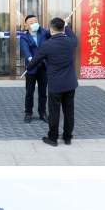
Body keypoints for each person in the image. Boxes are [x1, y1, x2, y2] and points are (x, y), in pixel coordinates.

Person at [25, 17, 79, 147]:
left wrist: (28, 68)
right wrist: (66, 25)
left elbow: (35, 60)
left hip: (56, 84)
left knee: (54, 112)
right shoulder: (71, 42)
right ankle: (67, 137)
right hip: (70, 83)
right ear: (63, 29)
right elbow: (71, 34)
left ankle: (53, 138)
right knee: (69, 111)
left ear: (51, 30)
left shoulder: (47, 45)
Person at [19, 14, 52, 123]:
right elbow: (26, 50)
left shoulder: (43, 33)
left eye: (36, 21)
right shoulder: (24, 37)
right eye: (31, 22)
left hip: (43, 67)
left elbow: (54, 31)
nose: (34, 23)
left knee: (43, 92)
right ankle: (28, 113)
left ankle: (42, 113)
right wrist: (31, 59)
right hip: (31, 67)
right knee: (29, 92)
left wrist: (64, 23)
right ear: (27, 25)